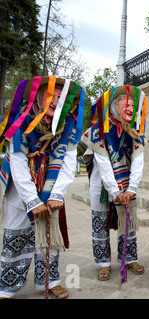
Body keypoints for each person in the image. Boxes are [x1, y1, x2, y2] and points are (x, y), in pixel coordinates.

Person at [0, 76, 86, 299]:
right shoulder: (20, 122)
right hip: (19, 192)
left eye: (61, 97)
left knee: (51, 237)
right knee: (16, 236)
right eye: (51, 95)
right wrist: (31, 199)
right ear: (37, 97)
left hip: (51, 186)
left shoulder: (68, 125)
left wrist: (57, 194)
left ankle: (49, 281)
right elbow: (18, 162)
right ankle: (7, 287)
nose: (56, 100)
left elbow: (68, 161)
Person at [80, 85, 147, 284]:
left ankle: (130, 258)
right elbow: (102, 162)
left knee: (128, 219)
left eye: (133, 105)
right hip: (101, 185)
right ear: (114, 106)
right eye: (126, 103)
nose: (130, 108)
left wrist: (132, 189)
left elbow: (138, 160)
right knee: (100, 221)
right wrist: (115, 191)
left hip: (125, 182)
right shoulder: (98, 130)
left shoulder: (134, 130)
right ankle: (104, 263)